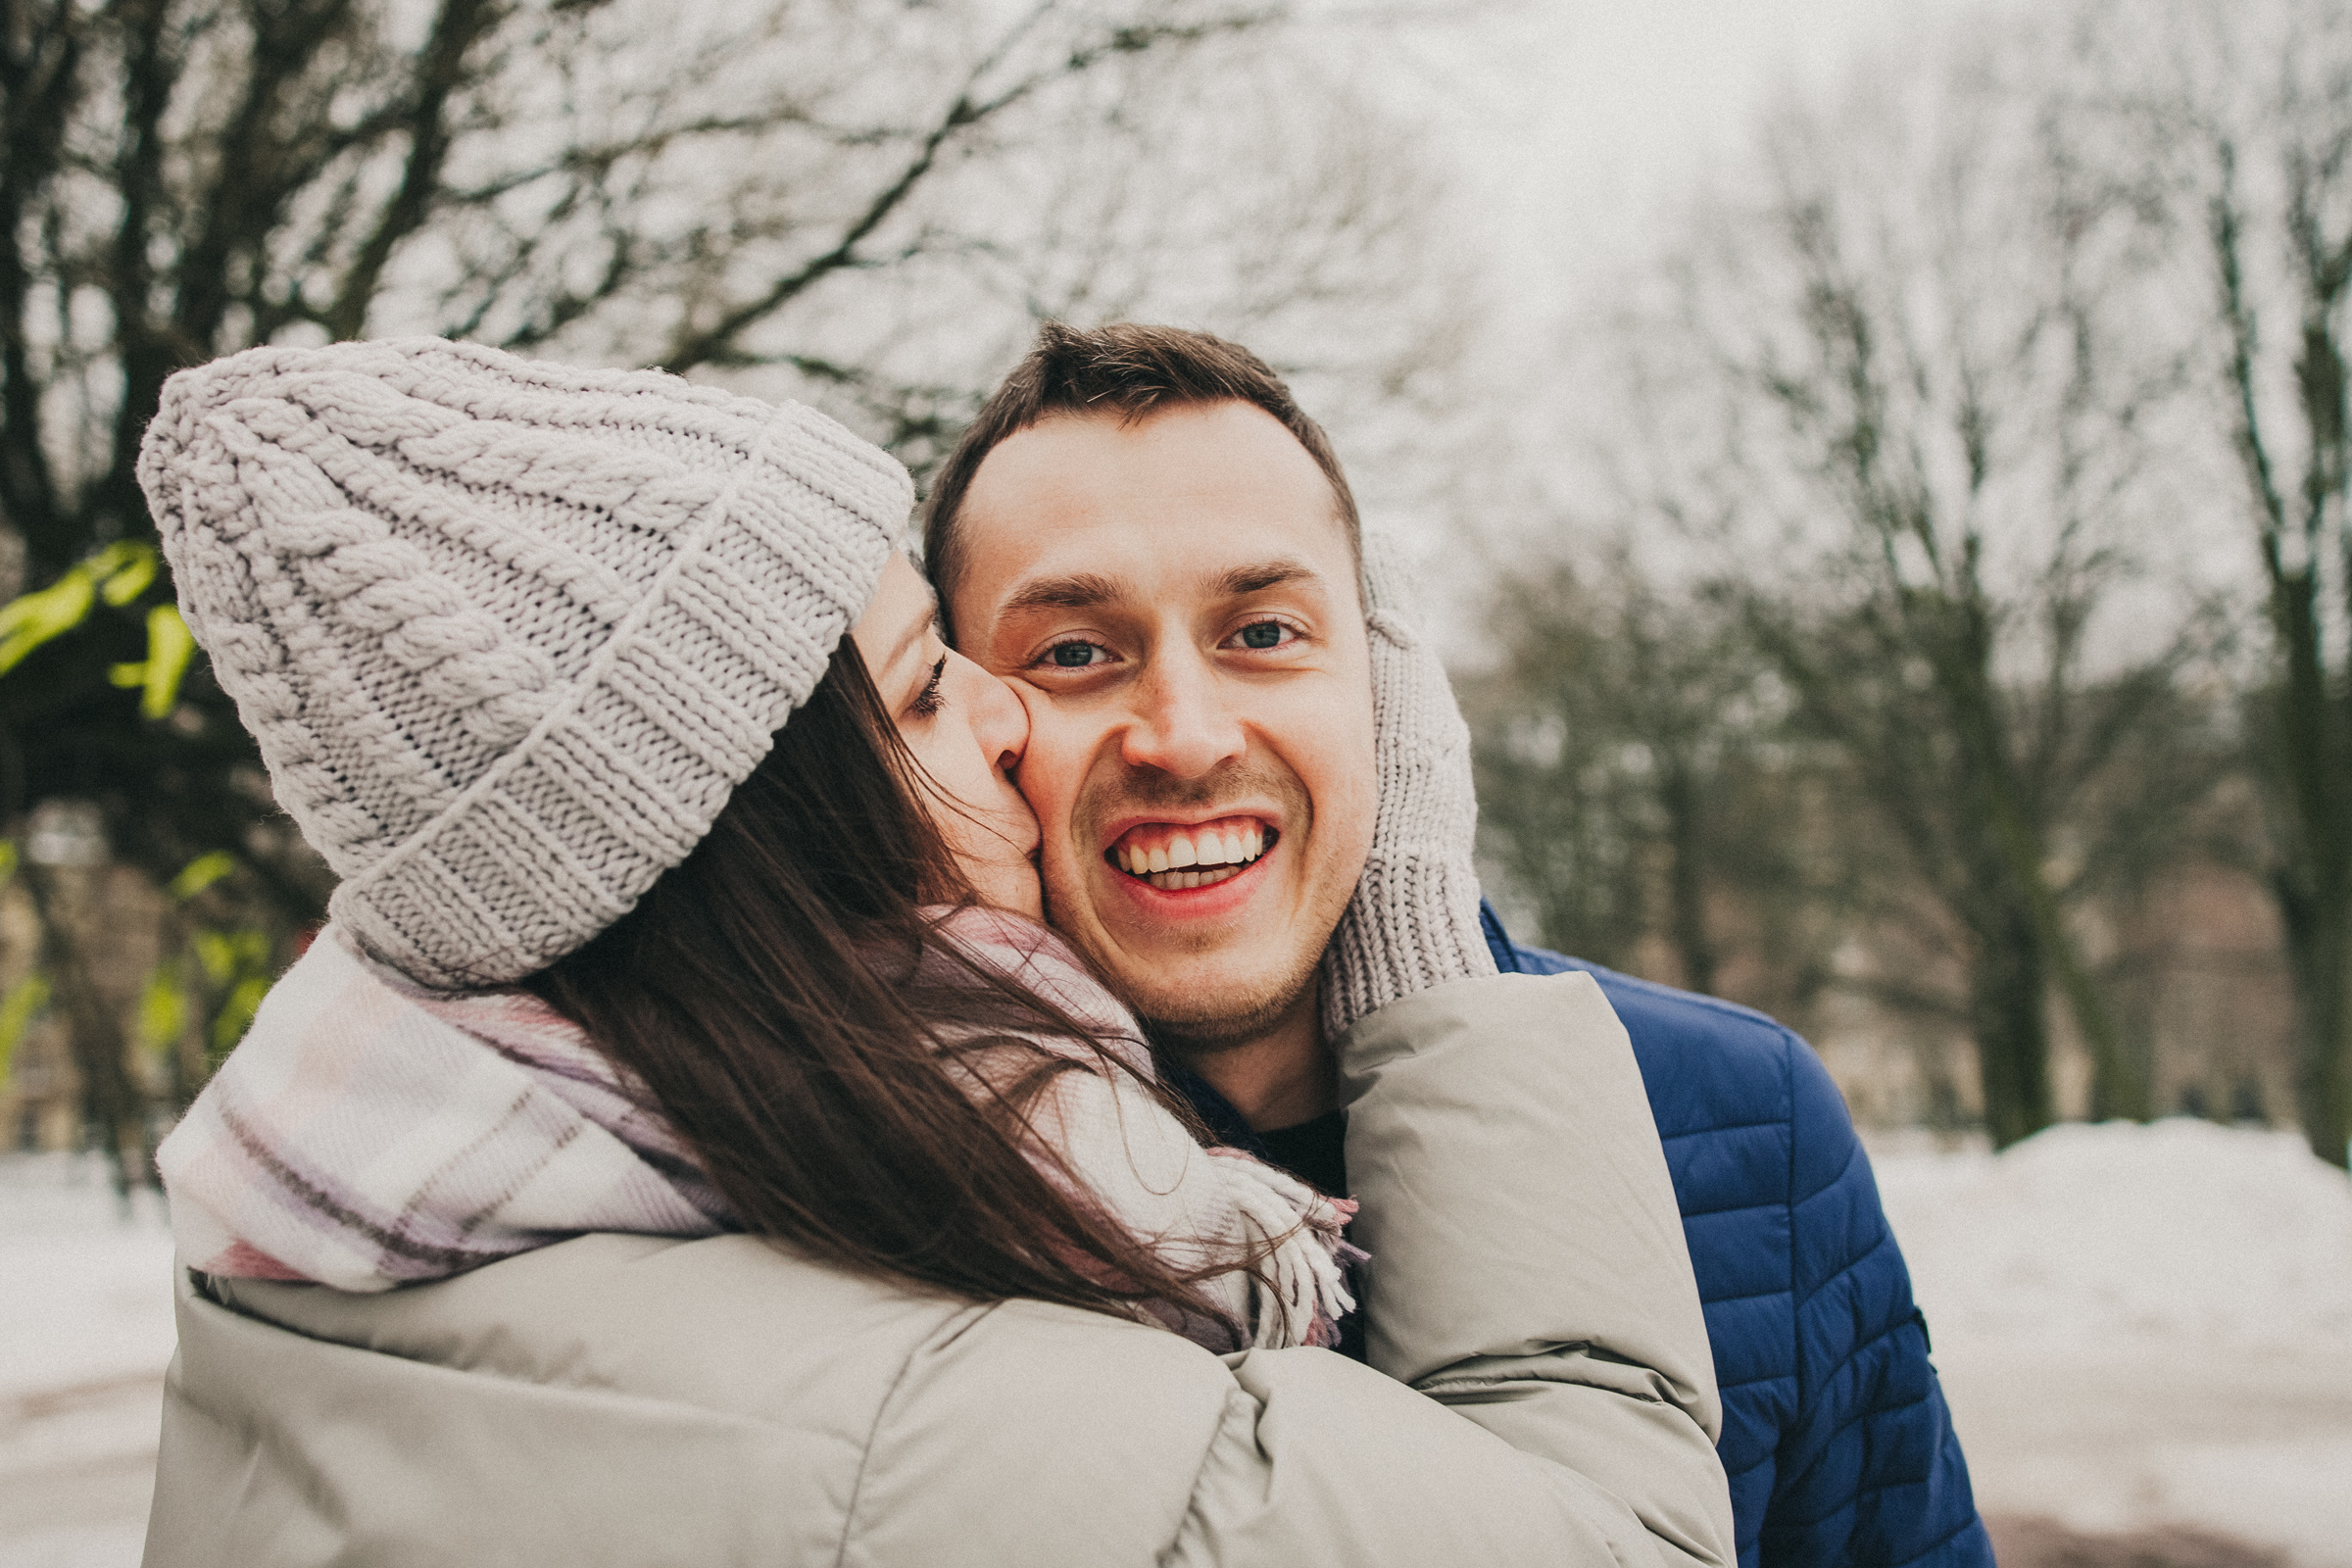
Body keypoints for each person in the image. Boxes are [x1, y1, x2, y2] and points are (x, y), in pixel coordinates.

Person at [131, 336, 1734, 1566]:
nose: (1008, 718)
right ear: (762, 862)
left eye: (1264, 631)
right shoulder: (946, 1421)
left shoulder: (308, 1289)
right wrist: (1423, 949)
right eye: (929, 685)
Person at [922, 321, 1994, 1568]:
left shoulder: (1750, 1115)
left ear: (1384, 680)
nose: (1187, 735)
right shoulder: (876, 1182)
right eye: (1073, 653)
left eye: (1262, 633)